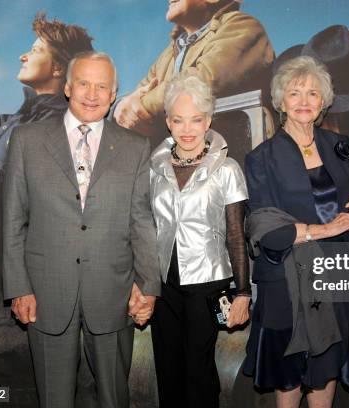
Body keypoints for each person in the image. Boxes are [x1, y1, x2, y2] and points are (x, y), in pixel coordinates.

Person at [2, 51, 159, 408]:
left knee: (113, 398)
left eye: (102, 86)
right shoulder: (26, 140)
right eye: (84, 83)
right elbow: (13, 221)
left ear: (114, 93)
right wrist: (18, 288)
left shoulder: (136, 147)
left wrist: (148, 286)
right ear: (68, 88)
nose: (92, 93)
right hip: (45, 294)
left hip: (113, 294)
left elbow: (141, 221)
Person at [0, 12, 94, 332]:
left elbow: (5, 178)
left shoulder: (57, 124)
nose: (23, 55)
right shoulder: (19, 118)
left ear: (56, 68)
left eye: (35, 50)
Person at [243, 55, 349, 407]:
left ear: (324, 101)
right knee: (289, 378)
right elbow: (267, 229)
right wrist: (326, 228)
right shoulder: (261, 158)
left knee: (325, 373)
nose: (304, 101)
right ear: (280, 100)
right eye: (295, 92)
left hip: (338, 276)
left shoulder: (341, 147)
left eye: (312, 93)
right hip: (286, 280)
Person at [133, 72, 250, 408]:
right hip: (163, 285)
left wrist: (243, 292)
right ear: (168, 122)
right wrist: (142, 283)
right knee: (168, 372)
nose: (187, 129)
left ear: (208, 121)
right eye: (179, 120)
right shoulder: (153, 168)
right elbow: (143, 227)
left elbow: (236, 235)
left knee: (198, 374)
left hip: (207, 284)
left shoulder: (227, 169)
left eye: (196, 120)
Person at [113, 0, 274, 147]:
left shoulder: (242, 26)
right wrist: (120, 108)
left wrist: (142, 107)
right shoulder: (167, 55)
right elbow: (135, 97)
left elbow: (202, 81)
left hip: (230, 161)